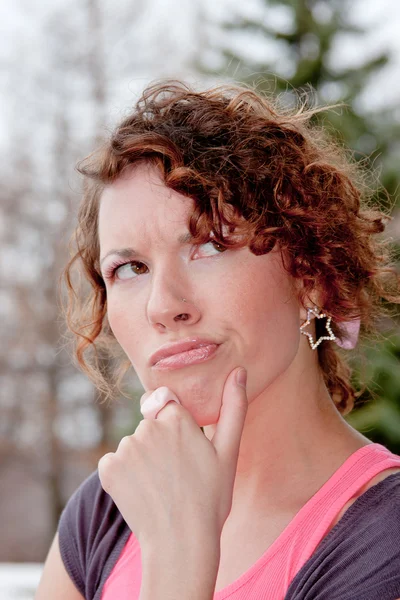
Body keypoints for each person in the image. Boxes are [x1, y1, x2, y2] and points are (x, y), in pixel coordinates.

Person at [35, 80, 400, 600]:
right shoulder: (107, 512)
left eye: (208, 246)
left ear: (310, 274)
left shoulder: (384, 547)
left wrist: (178, 560)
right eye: (131, 267)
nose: (164, 305)